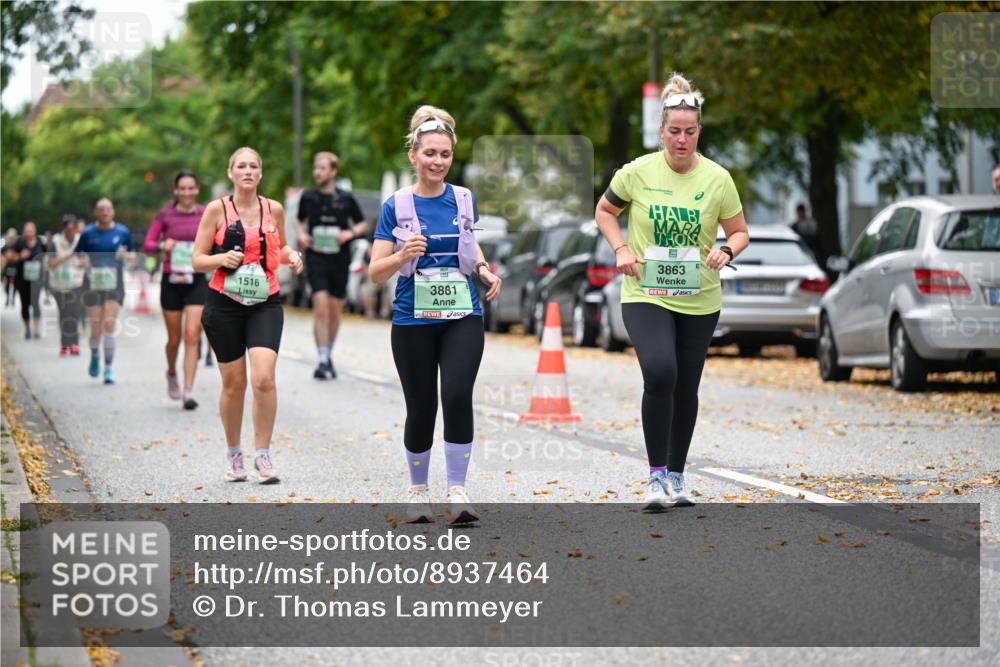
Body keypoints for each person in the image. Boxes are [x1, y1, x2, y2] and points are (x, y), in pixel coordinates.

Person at [595, 73, 749, 511]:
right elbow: (605, 211)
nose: (682, 139)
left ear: (700, 131)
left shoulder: (718, 179)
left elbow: (739, 232)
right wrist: (622, 247)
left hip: (699, 297)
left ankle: (677, 477)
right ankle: (656, 476)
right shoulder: (638, 172)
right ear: (661, 131)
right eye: (674, 131)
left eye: (690, 131)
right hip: (646, 292)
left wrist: (725, 251)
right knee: (660, 372)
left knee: (686, 384)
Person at [369, 106, 502, 525]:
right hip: (412, 318)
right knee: (422, 405)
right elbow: (374, 271)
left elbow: (470, 245)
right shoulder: (396, 205)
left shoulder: (463, 198)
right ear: (413, 155)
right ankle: (417, 491)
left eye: (444, 154)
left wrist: (483, 269)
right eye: (430, 153)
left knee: (458, 395)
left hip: (462, 311)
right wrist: (400, 255)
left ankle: (459, 492)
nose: (438, 161)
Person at [192, 147, 304, 484]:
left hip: (264, 302)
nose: (248, 171)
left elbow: (280, 247)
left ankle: (263, 456)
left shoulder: (274, 209)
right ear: (231, 173)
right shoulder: (216, 210)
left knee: (264, 379)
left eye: (254, 165)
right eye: (241, 166)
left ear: (260, 172)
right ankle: (234, 454)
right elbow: (197, 258)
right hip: (223, 303)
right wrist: (220, 259)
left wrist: (292, 256)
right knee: (234, 384)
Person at [295, 151, 368, 379]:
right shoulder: (308, 196)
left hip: (339, 258)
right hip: (316, 257)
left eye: (323, 168)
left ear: (334, 171)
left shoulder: (345, 198)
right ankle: (322, 358)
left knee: (335, 309)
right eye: (316, 167)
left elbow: (362, 223)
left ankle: (328, 352)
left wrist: (349, 233)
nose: (318, 171)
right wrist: (302, 235)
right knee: (321, 306)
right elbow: (299, 219)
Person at [144, 170, 208, 410]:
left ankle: (188, 391)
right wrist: (163, 244)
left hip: (196, 279)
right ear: (175, 191)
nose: (187, 192)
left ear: (197, 189)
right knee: (174, 339)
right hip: (171, 280)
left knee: (192, 334)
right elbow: (149, 244)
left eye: (191, 188)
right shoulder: (165, 215)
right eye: (182, 188)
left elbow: (218, 237)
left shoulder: (205, 213)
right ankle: (171, 372)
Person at [76, 198, 134, 384]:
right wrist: (83, 262)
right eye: (101, 210)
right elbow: (78, 256)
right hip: (92, 284)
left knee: (109, 325)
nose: (105, 213)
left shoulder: (123, 232)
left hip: (114, 284)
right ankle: (94, 355)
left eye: (108, 209)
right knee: (95, 328)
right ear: (96, 213)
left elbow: (132, 256)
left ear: (113, 212)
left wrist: (126, 256)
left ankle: (108, 368)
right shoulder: (87, 233)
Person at [47, 214, 86, 355]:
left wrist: (82, 262)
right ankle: (65, 344)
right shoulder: (54, 242)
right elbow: (50, 263)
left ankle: (74, 344)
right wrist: (68, 255)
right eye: (68, 227)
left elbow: (85, 261)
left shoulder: (80, 241)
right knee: (64, 315)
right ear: (63, 228)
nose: (71, 230)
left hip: (75, 284)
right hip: (58, 284)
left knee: (74, 314)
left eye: (73, 227)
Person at [6, 222, 45, 338]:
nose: (29, 233)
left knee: (36, 303)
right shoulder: (19, 242)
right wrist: (19, 256)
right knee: (25, 304)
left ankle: (37, 328)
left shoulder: (40, 242)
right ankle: (27, 328)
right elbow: (8, 256)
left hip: (36, 279)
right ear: (24, 232)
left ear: (35, 231)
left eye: (31, 231)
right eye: (27, 231)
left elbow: (47, 255)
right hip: (22, 280)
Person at [3, 228, 18, 307]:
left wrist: (13, 256)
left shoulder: (17, 246)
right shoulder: (5, 246)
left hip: (15, 267)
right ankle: (8, 298)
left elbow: (18, 256)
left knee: (15, 284)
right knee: (7, 284)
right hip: (7, 267)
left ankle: (13, 299)